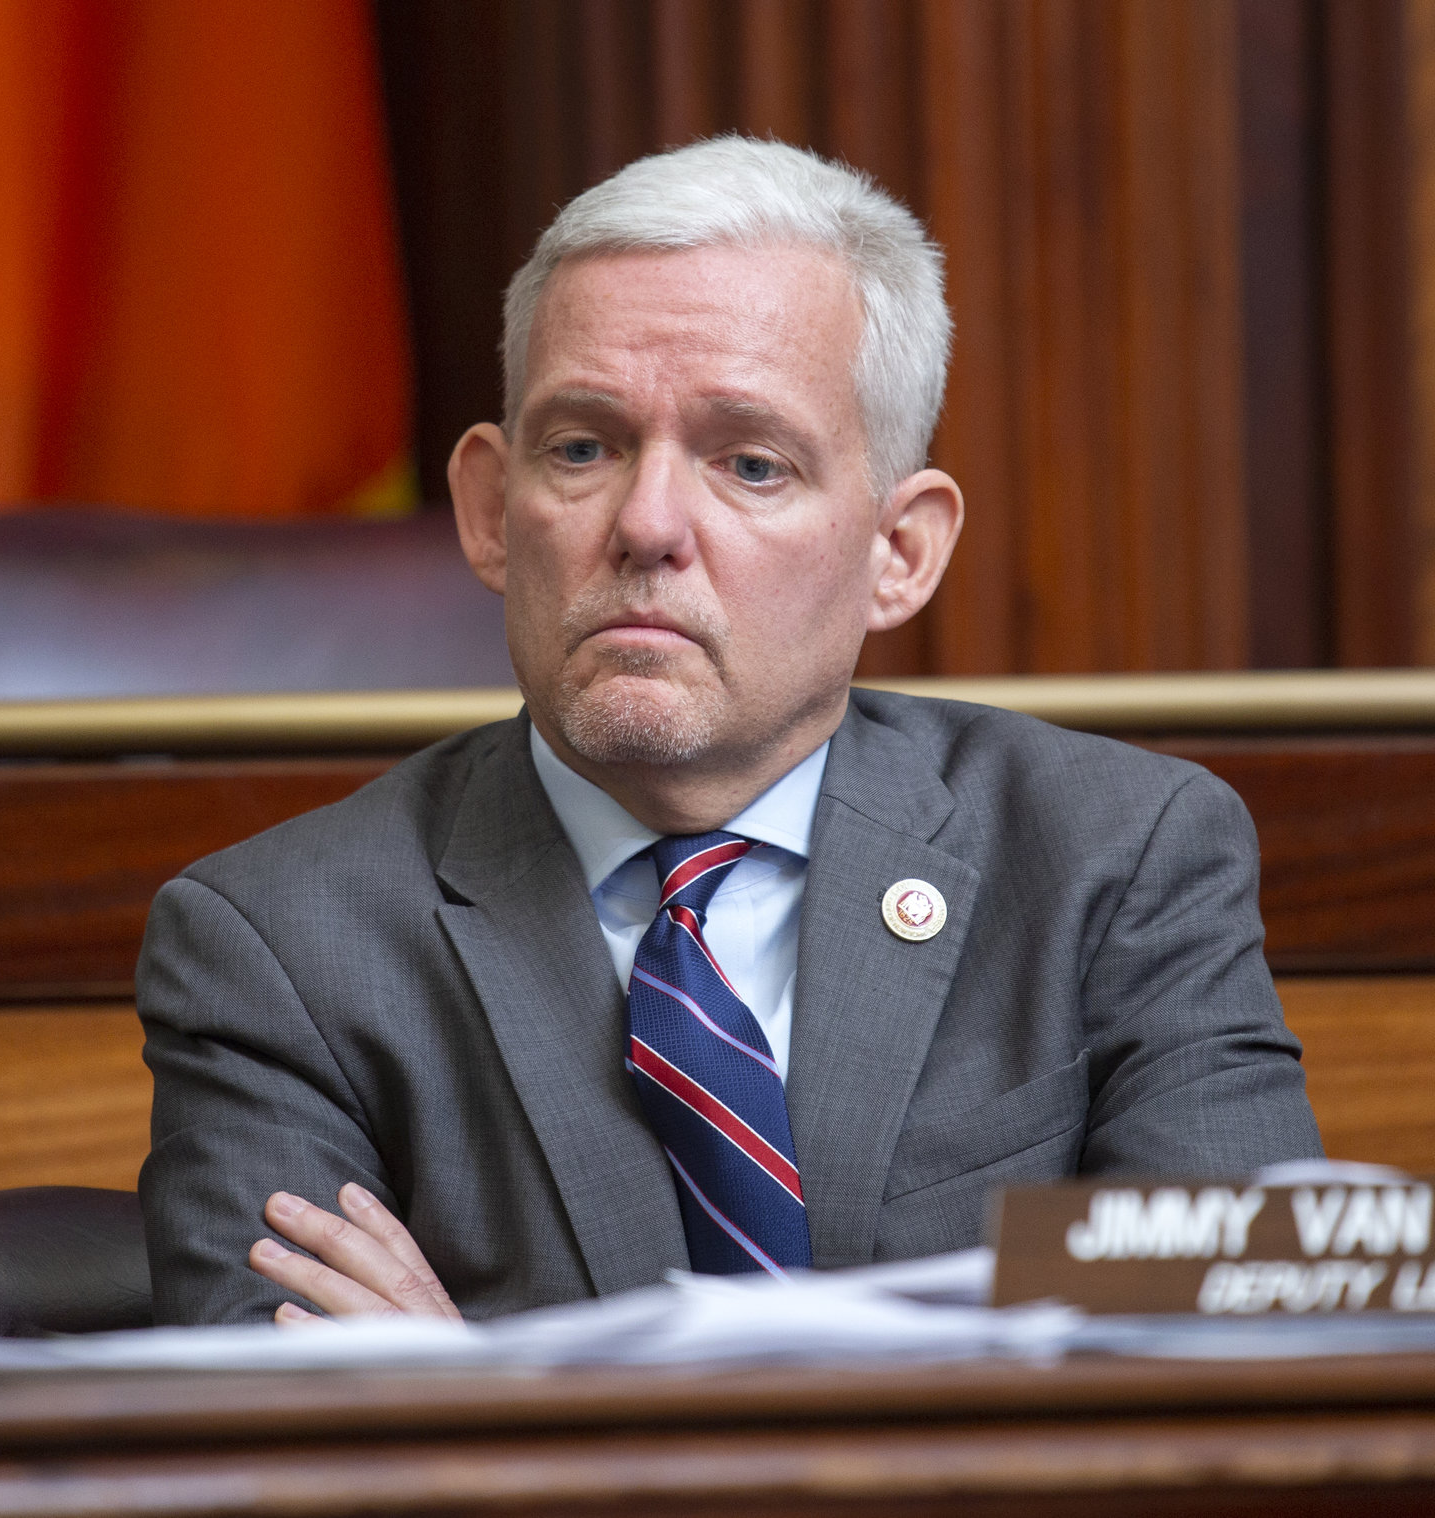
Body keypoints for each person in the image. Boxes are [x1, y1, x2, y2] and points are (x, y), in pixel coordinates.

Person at [138, 136, 1320, 1327]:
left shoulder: (1114, 859)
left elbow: (1237, 1377)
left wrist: (494, 1412)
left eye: (751, 464)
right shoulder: (277, 943)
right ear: (493, 512)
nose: (648, 524)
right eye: (584, 448)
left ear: (896, 552)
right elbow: (289, 1452)